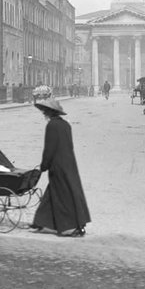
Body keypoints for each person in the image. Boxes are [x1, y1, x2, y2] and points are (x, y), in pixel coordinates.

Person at [30, 97, 91, 237]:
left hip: (57, 166)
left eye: (45, 111)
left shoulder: (51, 125)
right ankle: (43, 222)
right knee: (55, 193)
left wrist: (44, 165)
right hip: (69, 163)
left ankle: (69, 227)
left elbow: (49, 148)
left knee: (63, 196)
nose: (44, 114)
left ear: (50, 112)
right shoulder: (65, 125)